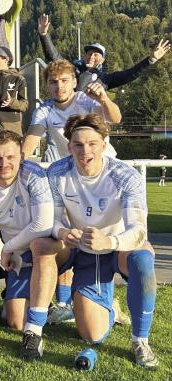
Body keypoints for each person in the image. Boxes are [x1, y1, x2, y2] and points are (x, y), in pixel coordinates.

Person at [44, 114, 158, 368]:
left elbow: (139, 231)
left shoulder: (125, 175)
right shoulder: (56, 173)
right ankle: (108, 308)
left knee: (142, 257)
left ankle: (141, 340)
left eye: (92, 143)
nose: (85, 151)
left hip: (118, 248)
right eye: (78, 145)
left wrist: (110, 241)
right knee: (91, 335)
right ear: (69, 146)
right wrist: (63, 232)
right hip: (85, 251)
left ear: (104, 144)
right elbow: (50, 221)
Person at [0, 131, 56, 359]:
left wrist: (7, 247)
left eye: (10, 157)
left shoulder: (34, 175)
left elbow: (44, 224)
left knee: (42, 246)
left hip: (51, 244)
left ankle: (63, 298)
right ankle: (43, 301)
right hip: (19, 253)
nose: (4, 163)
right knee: (15, 321)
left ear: (21, 157)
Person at [37, 13, 170, 91]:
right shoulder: (72, 69)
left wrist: (151, 60)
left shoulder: (106, 79)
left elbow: (131, 73)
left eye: (96, 54)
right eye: (89, 53)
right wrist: (44, 34)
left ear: (103, 60)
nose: (91, 57)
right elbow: (54, 57)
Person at [22, 59, 121, 162]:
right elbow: (31, 139)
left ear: (74, 83)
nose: (59, 86)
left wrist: (104, 100)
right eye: (53, 82)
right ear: (47, 86)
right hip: (73, 168)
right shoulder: (43, 111)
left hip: (104, 162)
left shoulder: (86, 100)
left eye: (64, 80)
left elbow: (116, 119)